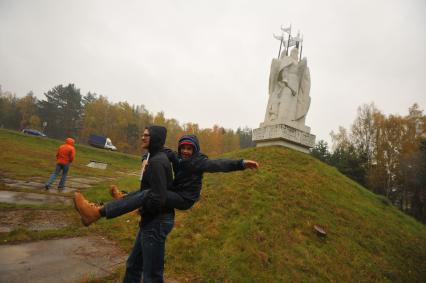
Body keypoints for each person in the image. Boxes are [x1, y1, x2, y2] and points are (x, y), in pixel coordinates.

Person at [73, 134, 259, 225]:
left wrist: (241, 163)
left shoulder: (200, 162)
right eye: (183, 148)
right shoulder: (177, 157)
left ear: (195, 150)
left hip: (185, 199)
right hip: (175, 190)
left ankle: (97, 213)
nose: (186, 151)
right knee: (152, 189)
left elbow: (219, 164)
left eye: (189, 148)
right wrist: (152, 146)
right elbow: (166, 150)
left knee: (151, 194)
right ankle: (123, 198)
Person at [75, 125, 174, 283]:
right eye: (143, 134)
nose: (142, 137)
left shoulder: (158, 162)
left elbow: (158, 198)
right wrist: (130, 199)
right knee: (133, 266)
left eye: (146, 135)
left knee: (152, 276)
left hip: (157, 222)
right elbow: (148, 191)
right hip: (151, 220)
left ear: (155, 139)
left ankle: (96, 213)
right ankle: (98, 211)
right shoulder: (153, 159)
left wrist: (140, 206)